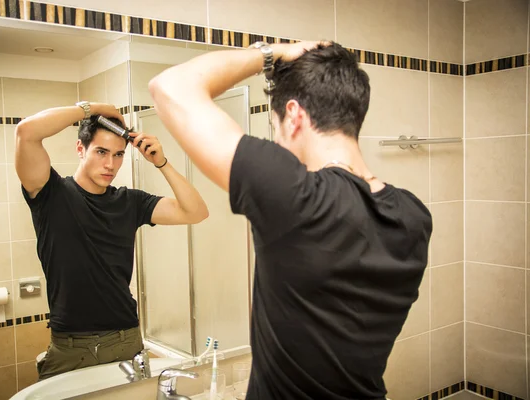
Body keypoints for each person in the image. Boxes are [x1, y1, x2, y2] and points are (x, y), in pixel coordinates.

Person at [148, 41, 432, 399]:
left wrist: (273, 53)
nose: (277, 140)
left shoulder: (298, 198)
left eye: (275, 126)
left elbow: (169, 87)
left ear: (294, 115)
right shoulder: (414, 216)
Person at [14, 102, 209, 380]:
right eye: (101, 152)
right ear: (80, 149)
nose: (110, 164)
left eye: (118, 155)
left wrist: (161, 163)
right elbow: (26, 131)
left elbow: (196, 211)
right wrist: (94, 108)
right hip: (69, 348)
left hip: (124, 341)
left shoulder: (129, 202)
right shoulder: (50, 193)